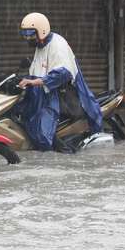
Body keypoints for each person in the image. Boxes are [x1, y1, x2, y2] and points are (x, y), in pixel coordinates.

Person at [17, 12, 103, 152]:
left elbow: (62, 73)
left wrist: (35, 82)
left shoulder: (57, 45)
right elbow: (38, 70)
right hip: (48, 94)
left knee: (42, 134)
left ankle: (58, 157)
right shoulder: (41, 45)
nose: (28, 38)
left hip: (64, 96)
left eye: (31, 35)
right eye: (26, 35)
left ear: (41, 31)